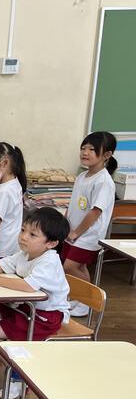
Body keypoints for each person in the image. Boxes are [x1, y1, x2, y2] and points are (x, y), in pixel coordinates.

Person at [0, 207, 70, 399]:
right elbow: (3, 264)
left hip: (46, 316)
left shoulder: (49, 262)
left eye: (32, 234)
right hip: (27, 307)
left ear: (51, 243)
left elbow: (28, 286)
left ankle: (19, 377)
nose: (24, 237)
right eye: (23, 230)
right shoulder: (25, 253)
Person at [61, 131, 117, 317]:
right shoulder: (82, 176)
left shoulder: (104, 181)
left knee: (70, 266)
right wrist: (65, 225)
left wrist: (76, 233)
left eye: (92, 149)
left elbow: (95, 211)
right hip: (73, 231)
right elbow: (73, 204)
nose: (85, 152)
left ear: (106, 155)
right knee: (79, 267)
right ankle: (80, 299)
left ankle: (87, 301)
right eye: (83, 148)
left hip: (88, 235)